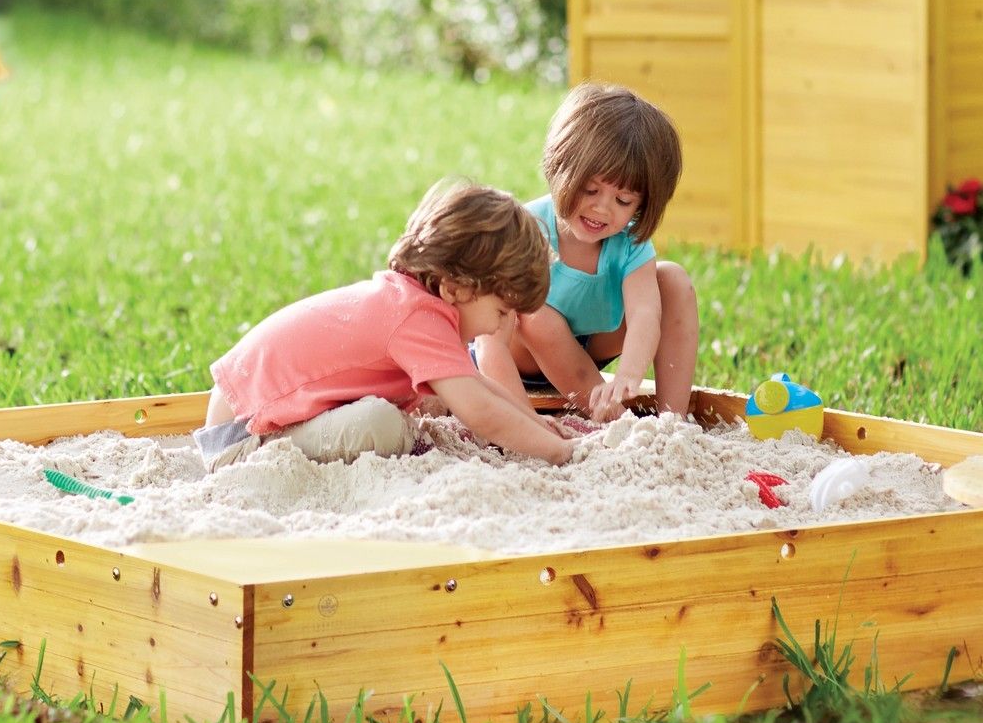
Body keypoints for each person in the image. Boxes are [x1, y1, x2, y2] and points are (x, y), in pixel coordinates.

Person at [197, 181, 574, 470]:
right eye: (501, 311)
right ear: (456, 288)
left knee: (425, 401)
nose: (499, 327)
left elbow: (477, 385)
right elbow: (479, 410)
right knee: (383, 424)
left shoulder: (416, 302)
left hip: (247, 413)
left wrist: (534, 424)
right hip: (243, 438)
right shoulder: (419, 317)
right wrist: (559, 453)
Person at [479, 81, 700, 420]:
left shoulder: (628, 240)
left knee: (672, 281)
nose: (602, 208)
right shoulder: (526, 229)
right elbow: (489, 341)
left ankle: (672, 420)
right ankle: (610, 416)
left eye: (623, 200)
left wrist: (628, 375)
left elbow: (644, 315)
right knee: (537, 313)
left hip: (588, 349)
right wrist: (524, 420)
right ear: (560, 167)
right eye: (590, 190)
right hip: (518, 357)